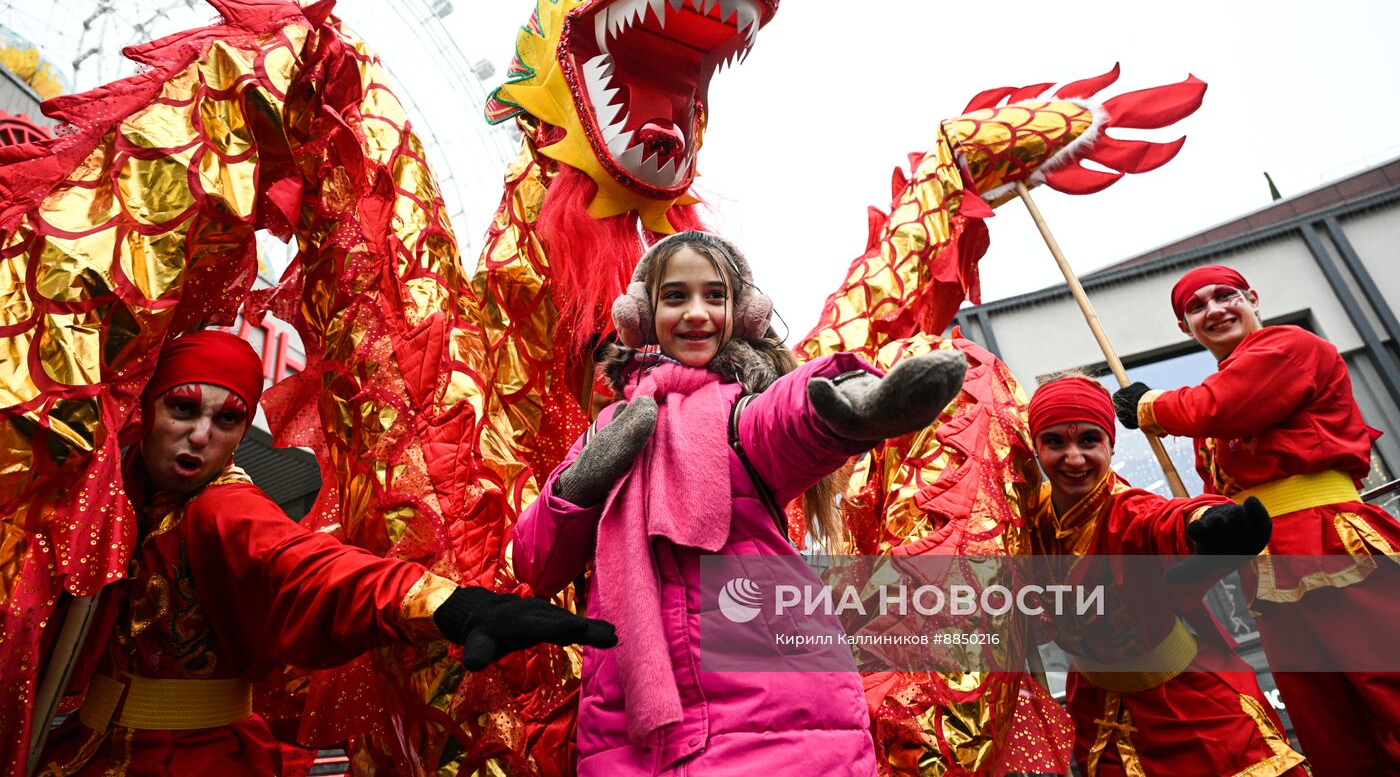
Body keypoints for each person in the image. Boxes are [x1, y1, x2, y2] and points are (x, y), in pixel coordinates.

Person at [38, 329, 616, 776]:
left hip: (188, 759)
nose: (200, 436)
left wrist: (457, 606)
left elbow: (314, 572)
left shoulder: (222, 509)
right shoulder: (106, 489)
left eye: (227, 419)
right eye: (183, 410)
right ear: (147, 411)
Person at [511, 230, 968, 775]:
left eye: (715, 295)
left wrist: (852, 408)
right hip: (631, 734)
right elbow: (535, 563)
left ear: (743, 313)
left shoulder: (739, 415)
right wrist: (583, 478)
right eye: (676, 296)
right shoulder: (609, 431)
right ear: (641, 315)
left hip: (776, 718)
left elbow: (787, 418)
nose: (696, 313)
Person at [1114, 264, 1400, 775]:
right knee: (1327, 726)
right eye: (1196, 307)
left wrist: (1150, 405)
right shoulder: (1208, 411)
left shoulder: (1290, 346)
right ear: (1186, 329)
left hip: (1332, 540)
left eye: (1225, 296)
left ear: (1252, 298)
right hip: (1268, 571)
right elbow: (1218, 500)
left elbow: (1225, 406)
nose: (1215, 310)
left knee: (1389, 686)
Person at [1027, 375, 1304, 776]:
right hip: (1097, 710)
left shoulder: (1126, 510)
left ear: (1110, 444)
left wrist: (1209, 520)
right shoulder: (1027, 520)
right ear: (1036, 447)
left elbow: (1163, 520)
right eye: (1055, 442)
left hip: (1186, 704)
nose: (1073, 458)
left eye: (1089, 440)